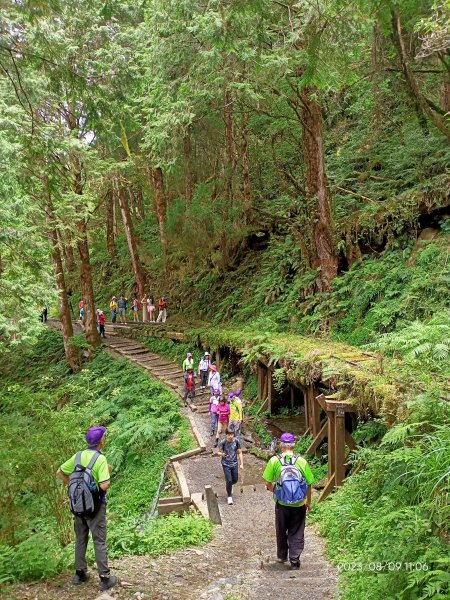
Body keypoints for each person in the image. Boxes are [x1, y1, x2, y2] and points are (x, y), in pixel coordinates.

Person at [56, 426, 117, 592]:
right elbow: (104, 484)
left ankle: (79, 574)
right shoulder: (100, 459)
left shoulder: (78, 456)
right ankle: (105, 578)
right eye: (104, 437)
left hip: (77, 506)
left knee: (81, 538)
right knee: (99, 540)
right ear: (101, 441)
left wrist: (75, 488)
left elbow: (60, 472)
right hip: (95, 507)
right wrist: (93, 489)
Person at [262, 432, 314, 571]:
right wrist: (308, 501)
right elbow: (309, 484)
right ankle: (295, 560)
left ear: (280, 445)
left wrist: (275, 491)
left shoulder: (274, 461)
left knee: (281, 529)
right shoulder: (302, 461)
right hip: (299, 503)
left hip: (281, 503)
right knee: (297, 530)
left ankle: (282, 555)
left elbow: (267, 482)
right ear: (294, 444)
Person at [217, 427, 243, 505]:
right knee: (229, 480)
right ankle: (229, 497)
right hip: (226, 464)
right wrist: (222, 454)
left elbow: (239, 452)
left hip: (234, 463)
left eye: (232, 434)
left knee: (234, 480)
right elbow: (218, 452)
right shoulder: (223, 442)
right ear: (226, 435)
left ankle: (230, 486)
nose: (231, 436)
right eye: (229, 435)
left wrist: (241, 463)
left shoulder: (236, 441)